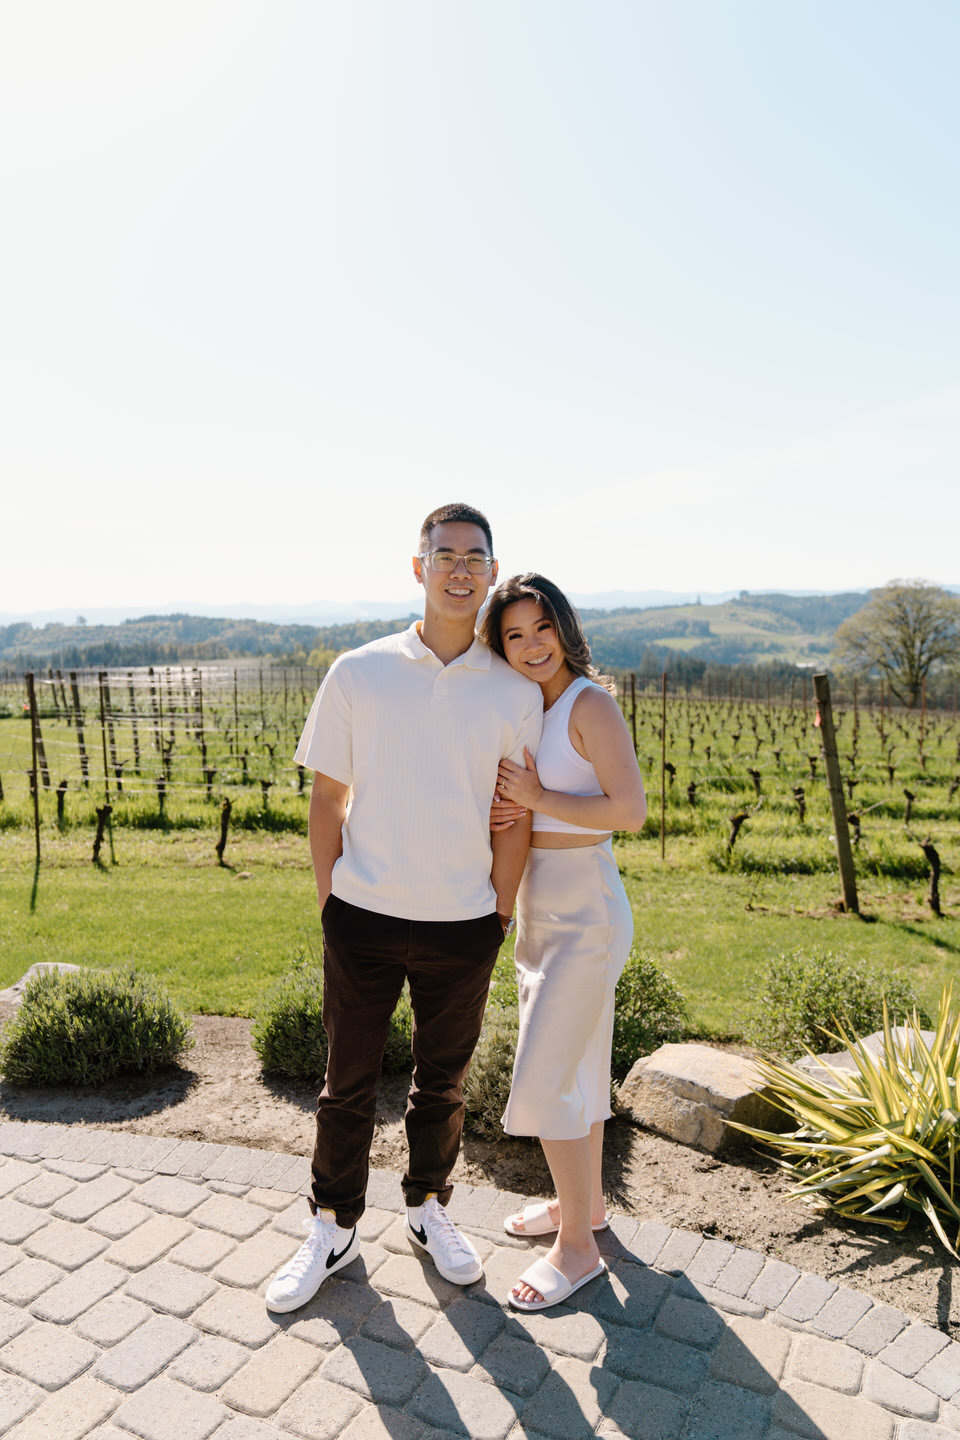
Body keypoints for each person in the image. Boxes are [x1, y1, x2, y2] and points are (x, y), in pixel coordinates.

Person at [265, 504, 541, 1313]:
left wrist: (498, 913)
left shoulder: (511, 688)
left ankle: (427, 1210)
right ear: (417, 567)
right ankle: (332, 1227)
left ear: (492, 572)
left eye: (476, 556)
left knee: (442, 1085)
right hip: (364, 917)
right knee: (344, 1084)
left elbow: (515, 812)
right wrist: (332, 903)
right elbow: (327, 797)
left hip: (464, 924)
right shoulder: (359, 670)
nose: (461, 568)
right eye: (445, 553)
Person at [480, 573, 646, 1312]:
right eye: (513, 635)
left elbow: (630, 811)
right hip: (542, 903)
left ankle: (576, 1250)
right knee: (575, 1065)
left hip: (587, 907)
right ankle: (587, 1209)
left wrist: (540, 798)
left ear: (564, 626)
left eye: (540, 628)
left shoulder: (591, 704)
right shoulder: (526, 705)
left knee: (547, 1076)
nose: (530, 645)